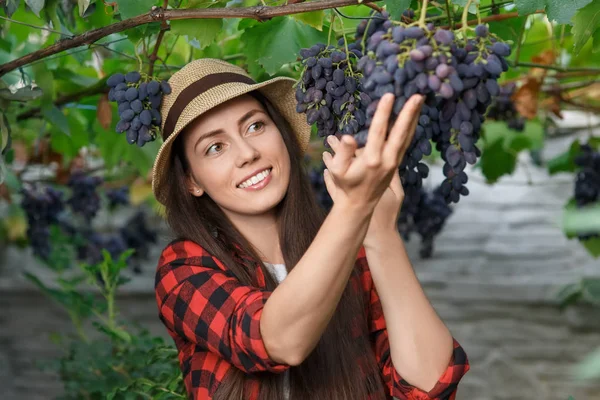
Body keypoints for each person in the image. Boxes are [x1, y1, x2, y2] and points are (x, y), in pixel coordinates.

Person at [152, 58, 470, 400]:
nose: (247, 153)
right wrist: (353, 209)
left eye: (255, 126)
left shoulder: (349, 251)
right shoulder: (183, 268)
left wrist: (380, 233)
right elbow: (277, 341)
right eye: (215, 147)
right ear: (191, 181)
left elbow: (430, 385)